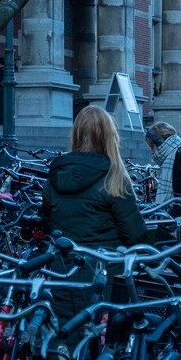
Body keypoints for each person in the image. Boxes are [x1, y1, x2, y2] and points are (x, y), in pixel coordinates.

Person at [41, 106, 147, 325]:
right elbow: (135, 235)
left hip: (62, 271)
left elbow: (46, 224)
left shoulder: (55, 177)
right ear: (109, 137)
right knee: (101, 341)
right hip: (103, 272)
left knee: (66, 334)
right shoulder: (114, 178)